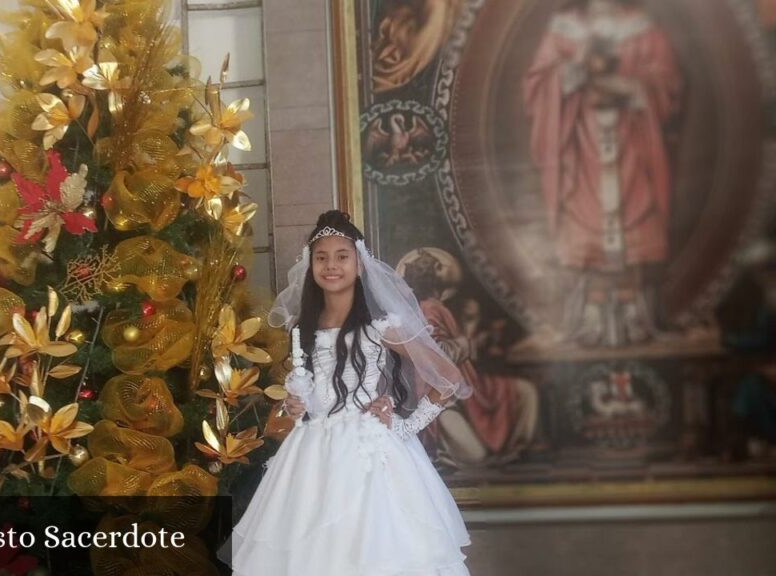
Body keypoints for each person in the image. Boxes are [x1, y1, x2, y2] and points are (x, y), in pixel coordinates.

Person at [226, 211, 473, 576]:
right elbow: (309, 400)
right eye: (321, 257)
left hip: (368, 452)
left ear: (360, 264)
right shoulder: (301, 330)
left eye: (342, 256)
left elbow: (447, 378)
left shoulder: (380, 326)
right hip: (310, 458)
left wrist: (405, 427)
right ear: (310, 265)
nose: (331, 266)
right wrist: (297, 406)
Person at [523, 0, 681, 346]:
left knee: (635, 220)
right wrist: (573, 70)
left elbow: (666, 84)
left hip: (632, 143)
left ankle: (636, 314)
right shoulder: (562, 30)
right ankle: (588, 318)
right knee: (584, 225)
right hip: (581, 147)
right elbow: (538, 87)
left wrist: (633, 89)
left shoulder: (643, 28)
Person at [398, 247, 539, 467]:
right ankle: (444, 452)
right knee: (476, 456)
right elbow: (435, 354)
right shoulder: (430, 309)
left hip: (469, 386)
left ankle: (517, 449)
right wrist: (466, 344)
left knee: (525, 391)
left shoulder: (437, 307)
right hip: (441, 395)